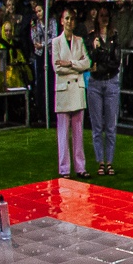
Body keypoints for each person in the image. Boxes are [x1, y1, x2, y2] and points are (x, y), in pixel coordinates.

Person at [51, 9, 90, 178]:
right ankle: (64, 169)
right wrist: (76, 66)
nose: (69, 21)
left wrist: (70, 63)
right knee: (63, 133)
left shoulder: (79, 41)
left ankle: (80, 167)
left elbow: (87, 63)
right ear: (61, 21)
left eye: (72, 19)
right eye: (66, 18)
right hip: (63, 90)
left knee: (78, 132)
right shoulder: (56, 42)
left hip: (77, 90)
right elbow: (57, 67)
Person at [86, 9, 122, 178]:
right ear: (97, 18)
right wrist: (96, 51)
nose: (104, 18)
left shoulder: (115, 37)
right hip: (95, 83)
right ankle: (100, 161)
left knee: (111, 126)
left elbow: (116, 62)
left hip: (111, 82)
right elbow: (90, 60)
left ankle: (110, 161)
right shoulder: (91, 37)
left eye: (107, 15)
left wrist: (101, 59)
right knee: (97, 126)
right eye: (102, 16)